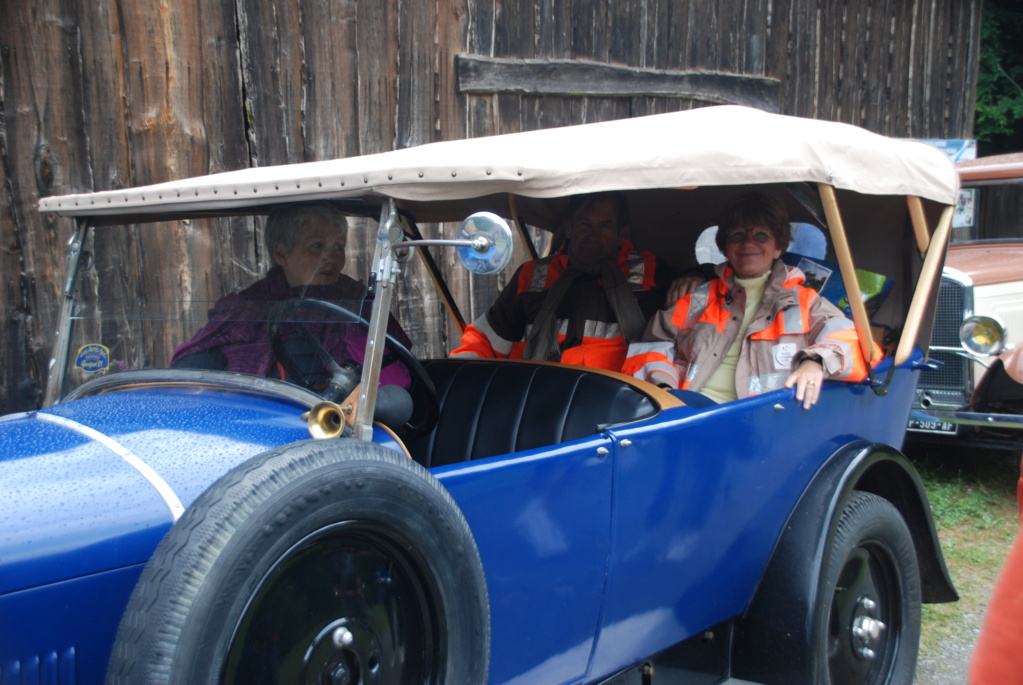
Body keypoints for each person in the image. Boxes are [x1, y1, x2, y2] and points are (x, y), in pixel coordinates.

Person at [622, 191, 880, 409]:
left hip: (765, 422)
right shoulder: (698, 297)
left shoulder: (806, 302)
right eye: (737, 234)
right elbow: (650, 345)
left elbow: (856, 343)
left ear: (778, 246)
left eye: (761, 235)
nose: (748, 243)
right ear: (724, 246)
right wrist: (662, 388)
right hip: (690, 414)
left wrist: (815, 362)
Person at [171, 202, 410, 389]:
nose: (331, 257)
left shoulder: (361, 303)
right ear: (281, 253)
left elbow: (395, 378)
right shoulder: (247, 309)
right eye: (317, 246)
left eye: (338, 246)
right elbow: (191, 370)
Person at [450, 191, 681, 373]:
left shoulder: (650, 273)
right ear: (569, 228)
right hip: (538, 397)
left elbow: (707, 291)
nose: (592, 234)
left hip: (617, 408)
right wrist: (458, 374)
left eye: (604, 225)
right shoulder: (532, 275)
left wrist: (696, 275)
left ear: (620, 231)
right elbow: (486, 340)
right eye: (584, 223)